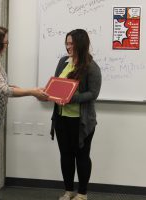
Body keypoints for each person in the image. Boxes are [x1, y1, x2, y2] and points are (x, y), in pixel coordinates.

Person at [0, 25, 48, 200]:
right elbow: (4, 90)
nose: (7, 45)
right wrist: (31, 92)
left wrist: (27, 89)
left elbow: (1, 86)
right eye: (6, 42)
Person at [50, 29, 102, 200]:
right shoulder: (63, 61)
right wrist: (50, 93)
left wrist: (72, 98)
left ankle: (82, 193)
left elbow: (93, 93)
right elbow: (57, 84)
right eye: (67, 43)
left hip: (81, 121)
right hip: (61, 118)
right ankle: (68, 191)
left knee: (82, 156)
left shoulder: (91, 67)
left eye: (72, 43)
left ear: (81, 44)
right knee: (65, 155)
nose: (68, 46)